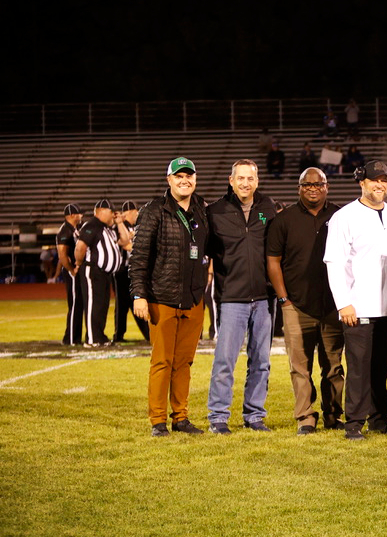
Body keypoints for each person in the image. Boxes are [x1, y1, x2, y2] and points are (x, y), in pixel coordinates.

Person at [324, 160, 387, 440]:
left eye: (384, 180)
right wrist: (343, 302)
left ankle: (379, 418)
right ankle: (353, 423)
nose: (380, 185)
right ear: (362, 182)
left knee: (381, 366)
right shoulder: (345, 216)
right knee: (359, 368)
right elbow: (334, 261)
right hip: (358, 305)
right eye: (374, 180)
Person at [130, 157, 209, 437]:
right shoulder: (153, 210)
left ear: (195, 179)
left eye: (189, 175)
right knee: (162, 361)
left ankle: (181, 418)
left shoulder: (202, 209)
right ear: (169, 180)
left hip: (193, 298)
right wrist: (139, 294)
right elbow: (139, 256)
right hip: (161, 297)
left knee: (184, 362)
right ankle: (158, 421)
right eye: (179, 176)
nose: (184, 180)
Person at [267, 168, 346, 435]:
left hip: (333, 304)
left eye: (318, 184)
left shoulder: (341, 216)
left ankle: (333, 415)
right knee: (300, 367)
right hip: (296, 305)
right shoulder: (284, 219)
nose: (313, 188)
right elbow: (273, 261)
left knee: (333, 366)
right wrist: (284, 299)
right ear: (299, 188)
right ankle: (305, 416)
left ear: (327, 186)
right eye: (307, 184)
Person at [206, 160, 278, 434]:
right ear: (231, 180)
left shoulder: (268, 207)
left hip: (263, 298)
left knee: (261, 362)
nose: (245, 183)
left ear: (257, 181)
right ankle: (218, 417)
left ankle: (254, 414)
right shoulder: (215, 211)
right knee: (225, 361)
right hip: (231, 298)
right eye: (241, 178)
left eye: (250, 178)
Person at [75, 199, 125, 347]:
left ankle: (99, 336)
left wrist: (119, 223)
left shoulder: (107, 228)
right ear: (102, 211)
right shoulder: (92, 225)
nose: (113, 215)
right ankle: (92, 339)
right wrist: (78, 263)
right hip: (93, 271)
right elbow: (80, 247)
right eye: (111, 212)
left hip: (104, 273)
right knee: (93, 304)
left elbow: (125, 240)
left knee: (102, 306)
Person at [113, 200, 150, 342]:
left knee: (134, 301)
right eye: (136, 212)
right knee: (122, 304)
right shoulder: (121, 226)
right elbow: (126, 244)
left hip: (132, 271)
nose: (137, 215)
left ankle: (145, 333)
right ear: (131, 212)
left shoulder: (133, 227)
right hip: (122, 271)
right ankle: (119, 335)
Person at [57, 203, 85, 345]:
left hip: (77, 270)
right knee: (75, 304)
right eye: (79, 213)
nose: (81, 216)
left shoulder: (75, 229)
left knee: (79, 304)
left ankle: (76, 337)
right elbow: (62, 254)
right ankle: (71, 338)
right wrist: (71, 270)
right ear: (72, 215)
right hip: (72, 271)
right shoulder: (65, 230)